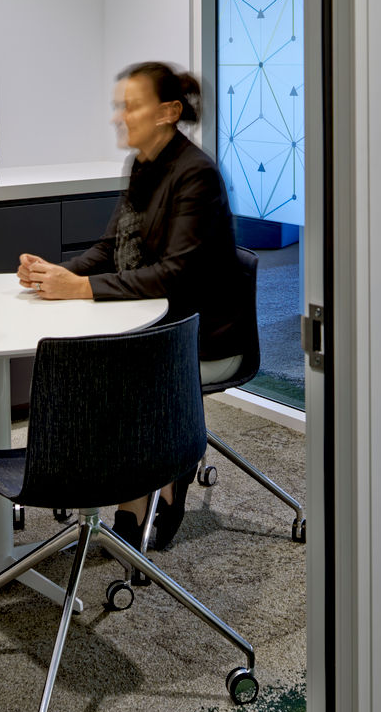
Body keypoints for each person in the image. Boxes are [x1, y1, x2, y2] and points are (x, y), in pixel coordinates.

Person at [16, 62, 246, 551]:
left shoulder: (196, 174)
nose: (119, 116)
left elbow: (176, 274)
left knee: (110, 372)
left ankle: (150, 489)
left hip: (198, 335)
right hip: (149, 321)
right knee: (88, 361)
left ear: (169, 112)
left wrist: (81, 288)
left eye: (132, 106)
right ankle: (123, 481)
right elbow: (109, 249)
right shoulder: (143, 164)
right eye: (119, 106)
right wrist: (56, 273)